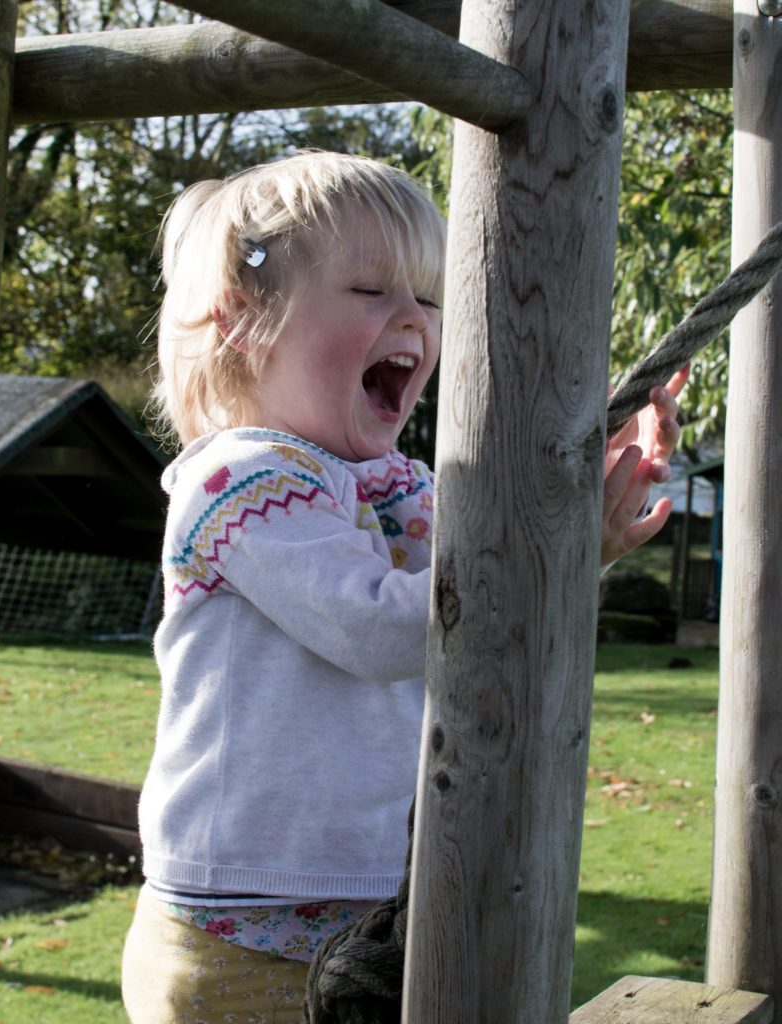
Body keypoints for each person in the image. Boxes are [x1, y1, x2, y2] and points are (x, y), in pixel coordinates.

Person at [121, 151, 686, 1024]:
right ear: (241, 323)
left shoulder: (401, 485)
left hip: (370, 897)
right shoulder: (243, 483)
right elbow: (385, 631)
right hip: (242, 927)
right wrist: (552, 552)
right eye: (371, 292)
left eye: (426, 297)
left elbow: (490, 596)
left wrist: (586, 503)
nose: (415, 321)